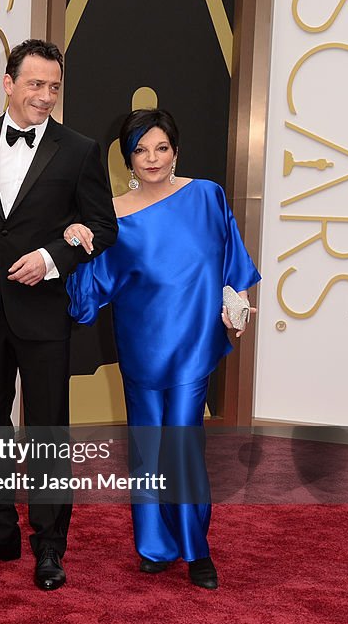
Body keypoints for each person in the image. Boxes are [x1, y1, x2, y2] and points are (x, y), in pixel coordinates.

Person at [0, 39, 117, 590]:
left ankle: (49, 544)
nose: (45, 97)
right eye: (35, 85)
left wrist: (51, 259)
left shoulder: (80, 149)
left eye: (53, 88)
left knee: (46, 429)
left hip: (44, 315)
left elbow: (103, 227)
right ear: (8, 83)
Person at [64, 108, 260, 590]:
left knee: (183, 443)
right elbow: (91, 289)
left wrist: (239, 300)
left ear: (175, 151)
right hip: (140, 343)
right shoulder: (110, 214)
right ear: (127, 158)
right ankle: (155, 546)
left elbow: (232, 260)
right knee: (147, 445)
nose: (151, 159)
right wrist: (76, 242)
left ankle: (196, 549)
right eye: (140, 150)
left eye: (161, 148)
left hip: (193, 342)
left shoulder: (207, 196)